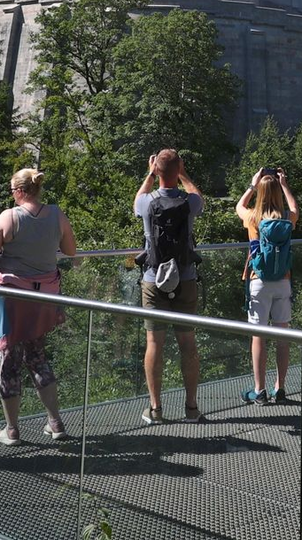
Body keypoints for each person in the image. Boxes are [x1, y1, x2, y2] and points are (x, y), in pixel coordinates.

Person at [0, 167, 77, 445]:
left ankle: (11, 430)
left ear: (20, 191)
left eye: (12, 191)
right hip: (44, 298)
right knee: (37, 357)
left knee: (9, 359)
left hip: (11, 299)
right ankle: (55, 423)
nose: (11, 196)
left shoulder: (9, 217)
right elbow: (70, 251)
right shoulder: (57, 215)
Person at [135, 148, 205, 425]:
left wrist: (151, 173)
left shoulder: (146, 202)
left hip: (153, 280)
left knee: (154, 343)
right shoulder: (189, 202)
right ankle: (191, 408)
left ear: (157, 170)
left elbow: (137, 200)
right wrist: (184, 174)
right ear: (178, 171)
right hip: (185, 277)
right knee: (188, 343)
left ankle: (156, 409)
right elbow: (199, 197)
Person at [235, 166, 300, 404]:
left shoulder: (253, 217)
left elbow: (238, 207)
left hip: (258, 281)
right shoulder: (286, 219)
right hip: (283, 281)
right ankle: (280, 388)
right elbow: (295, 209)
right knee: (282, 335)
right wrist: (285, 184)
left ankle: (259, 390)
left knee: (258, 336)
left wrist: (253, 184)